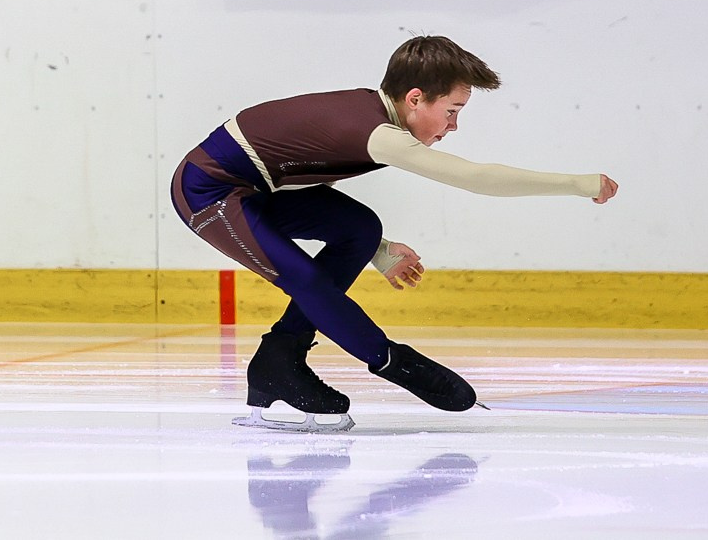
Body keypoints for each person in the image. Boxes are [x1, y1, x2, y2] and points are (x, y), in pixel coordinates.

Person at [171, 36, 618, 432]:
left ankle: (279, 359)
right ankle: (391, 361)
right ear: (416, 98)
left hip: (257, 191)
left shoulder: (371, 115)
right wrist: (578, 184)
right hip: (209, 193)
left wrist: (378, 250)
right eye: (452, 112)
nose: (453, 126)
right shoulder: (379, 133)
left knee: (360, 228)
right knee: (305, 279)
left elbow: (299, 168)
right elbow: (477, 178)